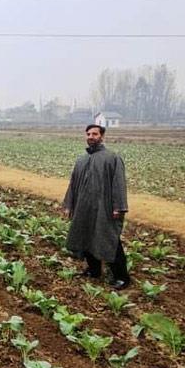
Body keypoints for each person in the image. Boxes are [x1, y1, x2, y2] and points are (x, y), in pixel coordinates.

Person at [61, 123, 130, 289]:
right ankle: (94, 270)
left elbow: (118, 184)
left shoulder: (112, 158)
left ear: (102, 136)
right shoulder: (81, 160)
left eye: (94, 134)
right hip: (83, 207)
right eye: (88, 134)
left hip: (105, 209)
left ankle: (122, 277)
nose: (91, 137)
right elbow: (73, 184)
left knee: (109, 239)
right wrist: (69, 205)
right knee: (86, 237)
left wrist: (118, 207)